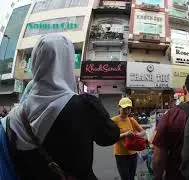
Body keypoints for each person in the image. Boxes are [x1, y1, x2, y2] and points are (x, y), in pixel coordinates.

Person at [4, 34, 120, 180]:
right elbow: (109, 136)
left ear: (35, 62)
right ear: (67, 62)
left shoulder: (13, 118)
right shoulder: (83, 106)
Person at [112, 97, 146, 180]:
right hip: (120, 155)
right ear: (119, 107)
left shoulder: (131, 120)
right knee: (125, 177)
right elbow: (110, 137)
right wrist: (125, 134)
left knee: (131, 177)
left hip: (133, 154)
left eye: (128, 108)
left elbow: (143, 132)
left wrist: (135, 134)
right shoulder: (114, 120)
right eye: (124, 108)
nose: (126, 111)